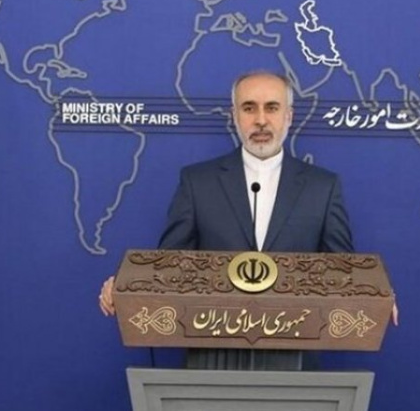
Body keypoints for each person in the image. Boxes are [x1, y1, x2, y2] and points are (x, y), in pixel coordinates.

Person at [98, 70, 396, 334]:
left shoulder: (323, 187)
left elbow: (342, 272)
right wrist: (126, 286)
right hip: (211, 354)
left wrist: (375, 296)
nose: (261, 120)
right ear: (235, 115)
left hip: (295, 356)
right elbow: (169, 267)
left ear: (289, 116)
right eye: (249, 108)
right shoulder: (197, 182)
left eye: (272, 108)